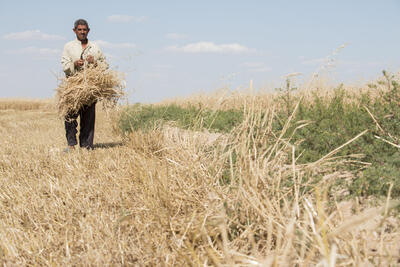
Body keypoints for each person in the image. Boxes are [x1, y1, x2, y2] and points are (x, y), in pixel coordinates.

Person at [61, 19, 107, 151]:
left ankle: (86, 146)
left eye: (84, 30)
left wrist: (95, 62)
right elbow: (64, 66)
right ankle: (71, 145)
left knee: (88, 118)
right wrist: (74, 64)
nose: (82, 32)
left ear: (88, 31)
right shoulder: (68, 47)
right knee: (69, 116)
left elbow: (105, 65)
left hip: (90, 87)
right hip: (73, 87)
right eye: (79, 30)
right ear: (74, 31)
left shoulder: (95, 47)